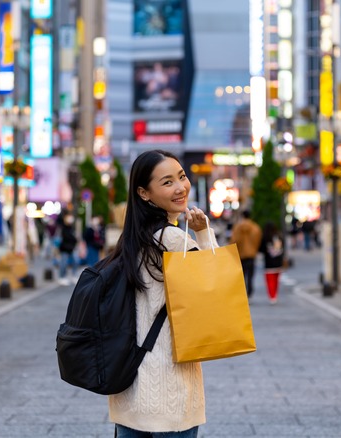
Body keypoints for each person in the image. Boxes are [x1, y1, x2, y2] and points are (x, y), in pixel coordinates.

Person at [105, 149, 216, 437]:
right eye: (167, 182)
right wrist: (203, 234)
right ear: (144, 193)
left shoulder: (130, 241)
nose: (180, 187)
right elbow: (215, 291)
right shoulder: (174, 239)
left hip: (129, 388)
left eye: (181, 177)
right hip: (171, 391)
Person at [229, 210, 262, 298]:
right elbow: (258, 240)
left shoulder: (237, 228)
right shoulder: (255, 228)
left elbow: (233, 241)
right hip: (251, 255)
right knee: (250, 275)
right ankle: (250, 292)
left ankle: (243, 292)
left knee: (241, 276)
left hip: (240, 255)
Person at [260, 221, 285, 304]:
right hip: (278, 262)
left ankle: (272, 296)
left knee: (270, 281)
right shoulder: (279, 236)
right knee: (276, 280)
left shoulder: (265, 237)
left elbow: (261, 249)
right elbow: (283, 248)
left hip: (269, 263)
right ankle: (275, 296)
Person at [57, 213, 78, 286]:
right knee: (63, 263)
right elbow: (67, 237)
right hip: (64, 248)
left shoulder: (71, 227)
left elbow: (74, 238)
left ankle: (73, 275)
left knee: (75, 261)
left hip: (71, 248)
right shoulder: (62, 227)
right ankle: (62, 277)